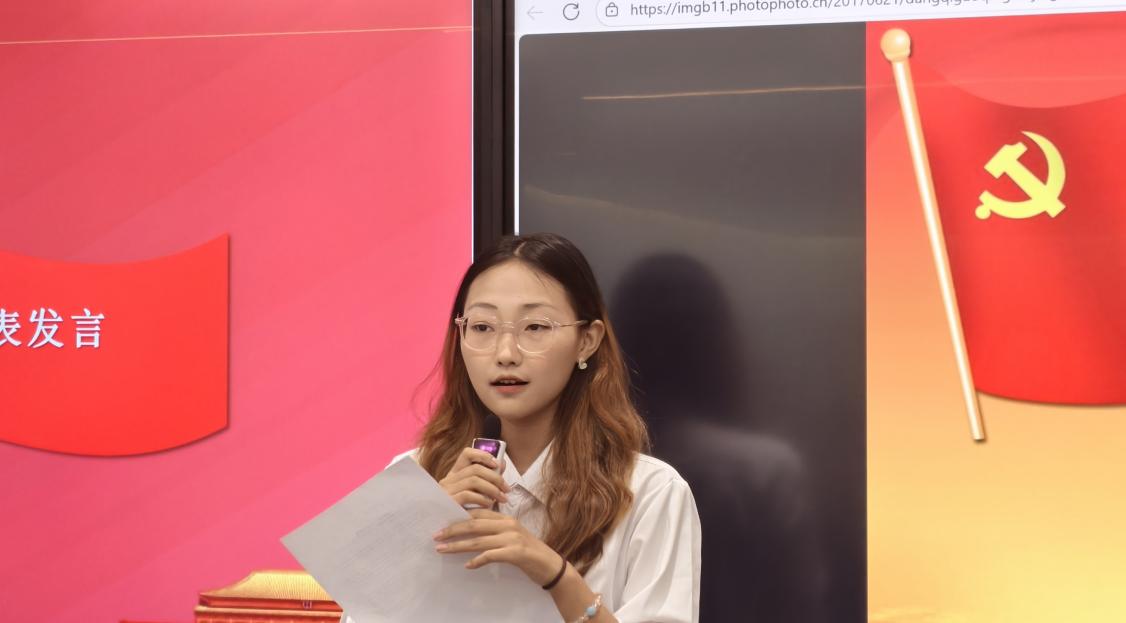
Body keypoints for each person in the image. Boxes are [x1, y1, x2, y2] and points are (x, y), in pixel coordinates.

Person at [347, 232, 700, 623]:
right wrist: (420, 524)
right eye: (483, 327)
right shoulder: (414, 476)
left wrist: (557, 576)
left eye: (535, 327)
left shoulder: (650, 493)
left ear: (587, 340)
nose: (505, 354)